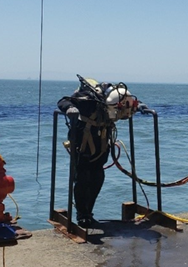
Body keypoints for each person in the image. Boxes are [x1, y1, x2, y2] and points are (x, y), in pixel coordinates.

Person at [57, 78, 139, 227]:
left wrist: (137, 108)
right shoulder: (88, 101)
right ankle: (82, 215)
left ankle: (88, 213)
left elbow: (124, 110)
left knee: (97, 178)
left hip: (101, 146)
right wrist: (70, 108)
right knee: (82, 179)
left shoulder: (120, 99)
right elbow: (62, 101)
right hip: (82, 145)